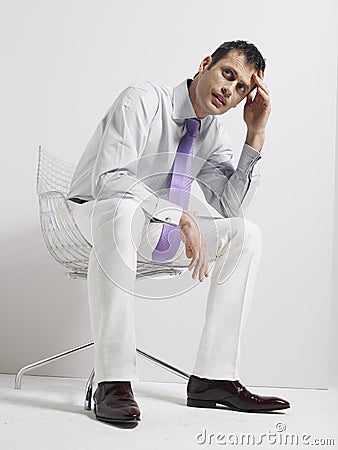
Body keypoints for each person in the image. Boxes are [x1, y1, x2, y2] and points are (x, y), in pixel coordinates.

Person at [67, 40, 290, 424]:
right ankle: (114, 380)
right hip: (96, 215)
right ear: (206, 64)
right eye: (227, 74)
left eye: (241, 89)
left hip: (155, 226)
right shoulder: (141, 101)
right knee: (120, 209)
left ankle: (213, 379)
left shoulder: (212, 134)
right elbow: (110, 181)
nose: (230, 90)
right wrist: (179, 216)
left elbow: (228, 209)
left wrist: (255, 136)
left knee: (246, 234)